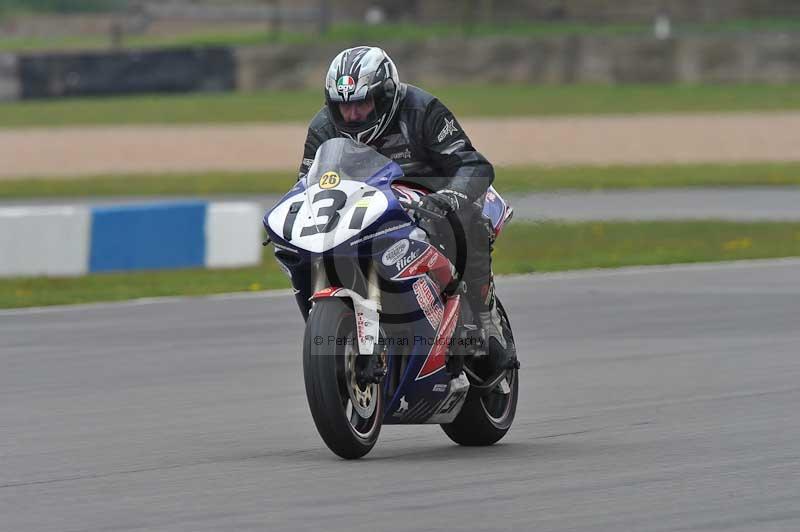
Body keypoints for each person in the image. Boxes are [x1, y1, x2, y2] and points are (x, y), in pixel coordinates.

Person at [298, 45, 517, 371]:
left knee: (467, 217)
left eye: (362, 103)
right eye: (344, 107)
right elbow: (308, 184)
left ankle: (484, 322)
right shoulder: (323, 127)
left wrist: (452, 196)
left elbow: (474, 164)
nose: (353, 115)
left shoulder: (422, 110)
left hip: (430, 199)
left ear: (384, 96)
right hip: (366, 210)